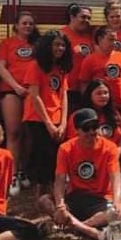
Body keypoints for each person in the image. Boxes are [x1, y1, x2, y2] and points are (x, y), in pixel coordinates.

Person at [37, 108, 121, 240]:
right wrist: (60, 206)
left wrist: (117, 201)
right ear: (77, 130)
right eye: (86, 128)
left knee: (116, 214)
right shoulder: (65, 149)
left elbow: (116, 177)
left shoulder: (110, 148)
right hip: (75, 197)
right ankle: (93, 232)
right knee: (44, 200)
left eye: (95, 127)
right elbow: (59, 180)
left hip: (100, 198)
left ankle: (78, 227)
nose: (91, 132)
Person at [0, 11, 40, 195]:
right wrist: (15, 86)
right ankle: (12, 175)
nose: (28, 26)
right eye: (24, 23)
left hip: (32, 92)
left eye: (31, 23)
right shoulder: (7, 44)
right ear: (16, 26)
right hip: (12, 92)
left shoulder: (37, 44)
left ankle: (23, 170)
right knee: (13, 133)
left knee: (28, 133)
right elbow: (1, 67)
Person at [23, 30, 71, 193]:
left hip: (57, 119)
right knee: (44, 157)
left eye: (63, 45)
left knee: (57, 157)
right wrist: (49, 124)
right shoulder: (35, 66)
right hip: (38, 119)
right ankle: (43, 194)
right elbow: (35, 97)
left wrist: (64, 122)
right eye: (56, 44)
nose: (61, 48)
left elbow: (63, 95)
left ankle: (56, 191)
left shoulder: (61, 68)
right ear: (47, 46)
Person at [66, 80, 121, 157]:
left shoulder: (114, 113)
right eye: (98, 93)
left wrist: (117, 152)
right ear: (90, 95)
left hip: (113, 158)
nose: (103, 96)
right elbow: (73, 141)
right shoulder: (78, 115)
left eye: (105, 93)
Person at [79, 26, 121, 112]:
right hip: (101, 106)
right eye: (111, 40)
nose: (114, 43)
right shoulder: (90, 60)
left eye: (115, 40)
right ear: (100, 39)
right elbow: (84, 84)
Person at [61, 3, 94, 113]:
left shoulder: (89, 36)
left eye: (89, 18)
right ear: (72, 17)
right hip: (68, 89)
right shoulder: (62, 35)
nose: (86, 20)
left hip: (86, 89)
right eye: (83, 17)